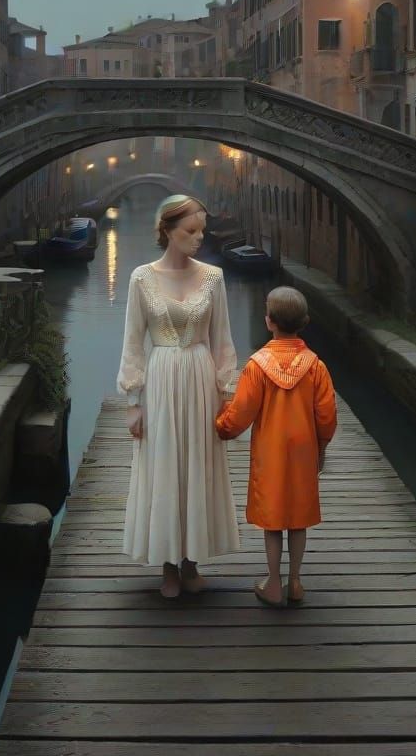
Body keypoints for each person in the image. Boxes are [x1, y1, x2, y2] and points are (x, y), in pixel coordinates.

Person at [117, 194, 240, 598]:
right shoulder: (140, 278)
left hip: (201, 379)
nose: (199, 237)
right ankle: (168, 567)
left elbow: (222, 339)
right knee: (164, 465)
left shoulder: (214, 278)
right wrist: (133, 402)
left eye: (202, 230)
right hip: (161, 378)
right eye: (191, 230)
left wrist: (227, 392)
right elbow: (133, 342)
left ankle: (191, 565)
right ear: (167, 231)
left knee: (198, 466)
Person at [216, 286, 337, 607]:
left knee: (273, 519)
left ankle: (273, 581)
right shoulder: (315, 366)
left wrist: (222, 426)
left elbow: (242, 412)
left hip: (269, 453)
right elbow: (327, 414)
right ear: (305, 322)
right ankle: (295, 581)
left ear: (269, 321)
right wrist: (322, 445)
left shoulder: (257, 366)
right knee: (297, 518)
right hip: (304, 452)